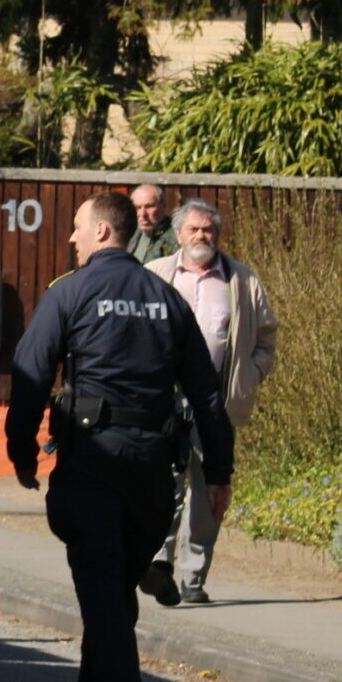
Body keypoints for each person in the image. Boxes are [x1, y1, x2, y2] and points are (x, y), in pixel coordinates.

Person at [6, 191, 233, 682]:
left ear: (104, 232)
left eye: (78, 228)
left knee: (103, 583)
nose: (71, 238)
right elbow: (207, 395)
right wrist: (221, 473)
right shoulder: (167, 298)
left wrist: (20, 448)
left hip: (93, 460)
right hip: (154, 468)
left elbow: (31, 374)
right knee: (113, 582)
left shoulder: (71, 293)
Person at [142, 200, 276, 605]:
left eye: (209, 230)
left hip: (215, 401)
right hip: (164, 399)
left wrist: (248, 375)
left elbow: (267, 339)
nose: (203, 237)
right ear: (179, 235)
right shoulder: (155, 275)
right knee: (162, 482)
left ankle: (194, 577)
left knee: (209, 489)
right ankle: (157, 563)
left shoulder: (242, 280)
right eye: (195, 230)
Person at [128, 182, 177, 264]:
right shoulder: (129, 234)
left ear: (163, 206)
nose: (143, 214)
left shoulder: (177, 236)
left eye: (149, 206)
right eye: (138, 208)